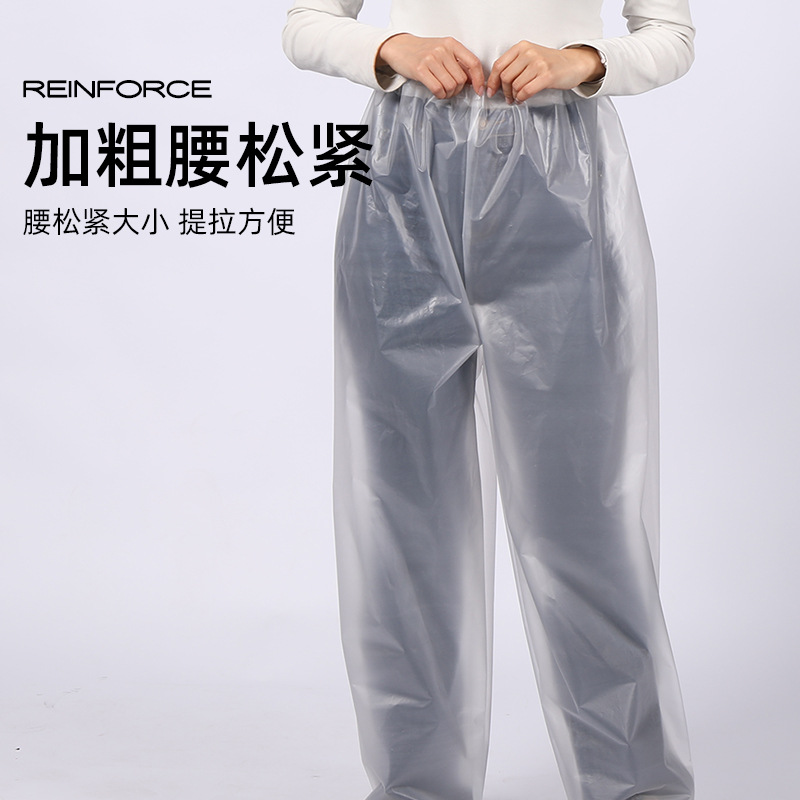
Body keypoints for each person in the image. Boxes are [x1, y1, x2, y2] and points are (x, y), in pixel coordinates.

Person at [282, 2, 696, 800]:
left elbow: (670, 36)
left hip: (558, 180)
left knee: (582, 513)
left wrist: (583, 61)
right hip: (402, 175)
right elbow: (305, 23)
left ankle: (633, 785)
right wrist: (391, 46)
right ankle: (418, 785)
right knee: (404, 514)